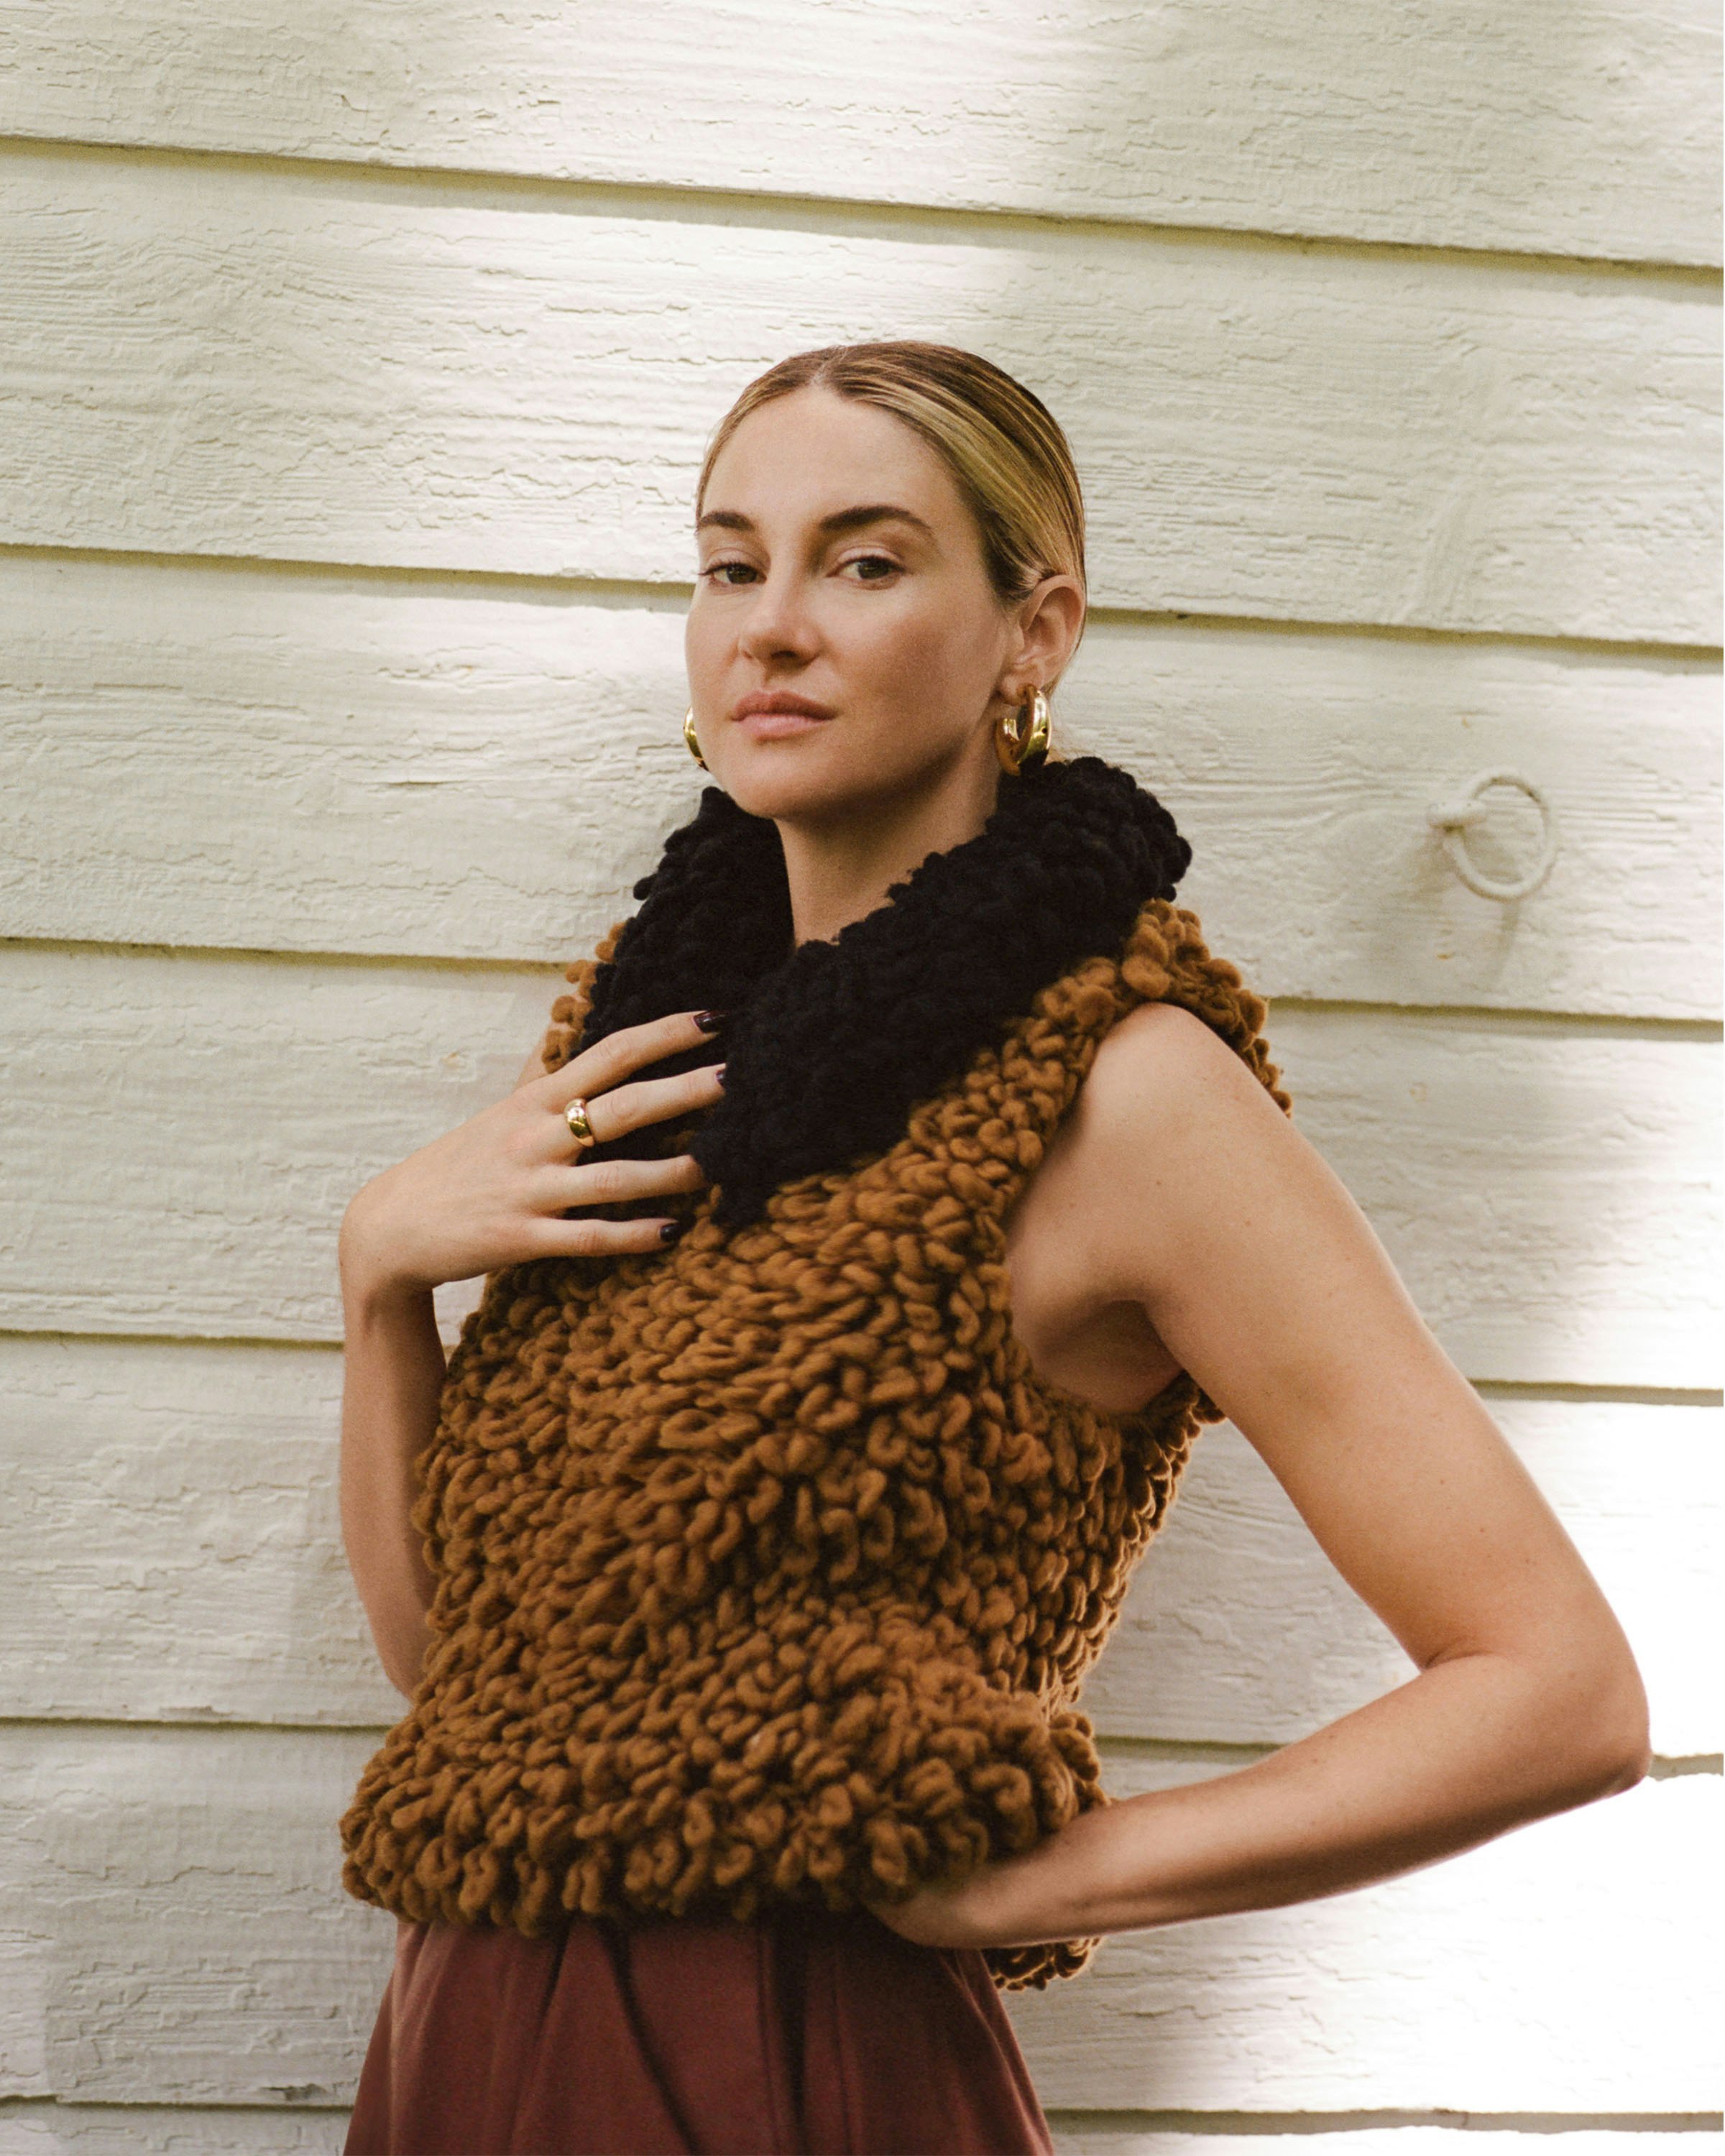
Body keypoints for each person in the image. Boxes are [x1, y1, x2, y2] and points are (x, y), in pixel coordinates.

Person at [334, 343, 1650, 2156]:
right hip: (473, 2044)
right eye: (731, 565)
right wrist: (382, 1282)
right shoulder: (645, 1055)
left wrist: (1045, 1879)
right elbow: (462, 1678)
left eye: (864, 562)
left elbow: (1559, 1692)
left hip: (789, 2060)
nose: (771, 627)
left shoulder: (1125, 1087)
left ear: (1035, 632)